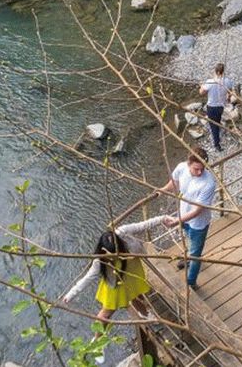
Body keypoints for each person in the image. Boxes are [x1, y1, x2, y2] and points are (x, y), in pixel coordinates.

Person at [63, 228, 154, 364]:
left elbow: (144, 224)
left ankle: (145, 314)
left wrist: (165, 218)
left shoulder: (125, 236)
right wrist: (71, 293)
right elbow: (88, 277)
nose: (112, 257)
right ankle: (97, 344)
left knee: (137, 296)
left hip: (132, 278)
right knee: (106, 314)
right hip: (116, 287)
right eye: (109, 255)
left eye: (114, 254)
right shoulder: (100, 260)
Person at [160, 147, 217, 291]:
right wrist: (162, 191)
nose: (200, 172)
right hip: (184, 214)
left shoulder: (208, 183)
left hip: (199, 222)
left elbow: (198, 210)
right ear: (188, 163)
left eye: (202, 169)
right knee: (188, 239)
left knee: (196, 254)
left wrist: (176, 221)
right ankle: (188, 259)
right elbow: (175, 182)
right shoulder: (181, 168)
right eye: (196, 169)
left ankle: (190, 282)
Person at [199, 63, 234, 151]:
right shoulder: (227, 81)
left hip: (211, 107)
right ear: (222, 72)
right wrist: (228, 98)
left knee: (213, 125)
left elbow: (202, 93)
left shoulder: (210, 81)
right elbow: (230, 91)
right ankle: (218, 129)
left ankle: (217, 144)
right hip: (221, 106)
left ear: (217, 72)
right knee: (217, 120)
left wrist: (201, 86)